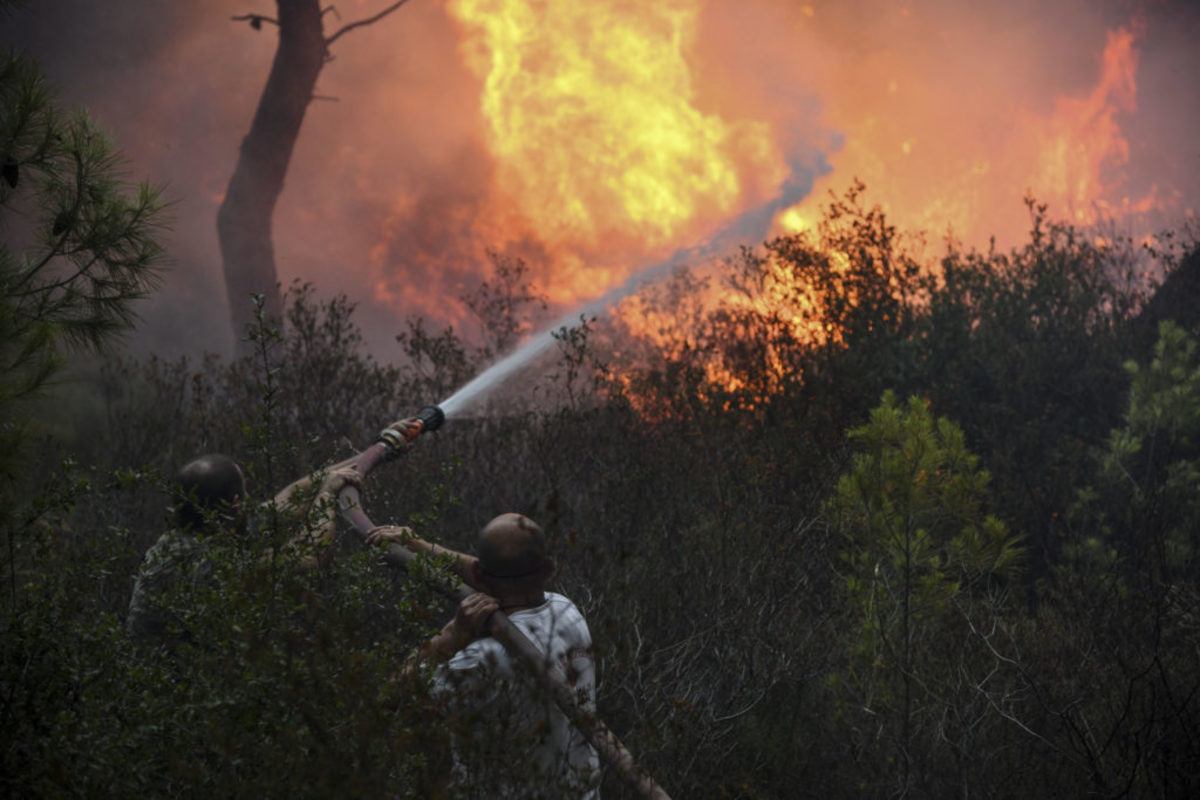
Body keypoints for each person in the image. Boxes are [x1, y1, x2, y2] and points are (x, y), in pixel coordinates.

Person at [369, 493, 601, 799]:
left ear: (480, 574)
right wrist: (419, 545)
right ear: (548, 569)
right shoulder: (567, 612)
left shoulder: (481, 660)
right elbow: (502, 575)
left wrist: (452, 636)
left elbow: (388, 703)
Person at [126, 453, 359, 641]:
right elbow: (312, 557)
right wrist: (327, 494)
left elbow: (288, 499)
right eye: (245, 490)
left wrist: (377, 450)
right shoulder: (213, 565)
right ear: (236, 504)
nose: (251, 496)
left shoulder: (198, 530)